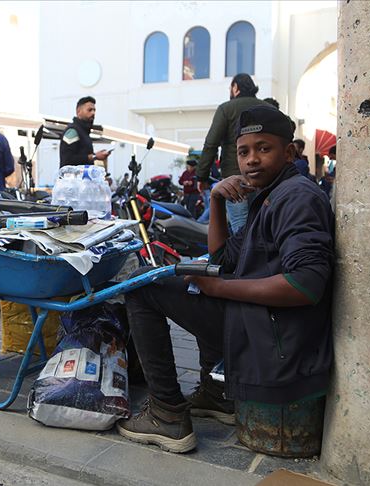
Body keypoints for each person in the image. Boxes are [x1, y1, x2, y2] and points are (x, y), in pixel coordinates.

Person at [117, 106, 335, 454]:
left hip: (277, 339)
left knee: (142, 287)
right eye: (244, 151)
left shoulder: (296, 198)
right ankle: (216, 396)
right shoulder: (270, 195)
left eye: (264, 149)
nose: (251, 160)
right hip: (265, 324)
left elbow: (306, 283)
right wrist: (217, 198)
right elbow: (223, 258)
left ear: (289, 152)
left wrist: (219, 288)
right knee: (199, 276)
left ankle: (167, 413)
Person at [196, 74, 269, 233]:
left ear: (236, 87)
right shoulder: (267, 108)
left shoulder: (226, 109)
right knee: (264, 224)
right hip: (266, 179)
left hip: (235, 180)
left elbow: (211, 144)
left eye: (231, 87)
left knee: (240, 228)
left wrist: (201, 176)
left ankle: (245, 257)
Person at [59, 96, 110, 168]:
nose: (93, 113)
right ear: (78, 111)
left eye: (94, 110)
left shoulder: (84, 132)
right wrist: (94, 156)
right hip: (72, 178)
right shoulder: (73, 131)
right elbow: (68, 159)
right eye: (89, 110)